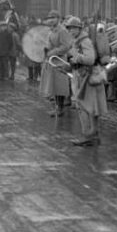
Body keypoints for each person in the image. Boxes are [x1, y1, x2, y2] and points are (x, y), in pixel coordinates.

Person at [66, 16, 107, 146]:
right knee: (89, 106)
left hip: (87, 77)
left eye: (74, 28)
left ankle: (88, 135)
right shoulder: (77, 40)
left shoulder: (84, 41)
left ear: (79, 29)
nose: (71, 31)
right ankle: (92, 134)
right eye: (70, 28)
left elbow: (90, 59)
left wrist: (76, 57)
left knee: (84, 106)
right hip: (82, 75)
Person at [40, 10, 73, 117]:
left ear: (58, 19)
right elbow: (50, 43)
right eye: (49, 18)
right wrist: (46, 49)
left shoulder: (62, 31)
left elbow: (66, 46)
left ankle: (61, 108)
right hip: (51, 60)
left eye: (53, 18)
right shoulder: (51, 31)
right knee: (53, 85)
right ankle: (56, 107)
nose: (50, 20)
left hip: (59, 60)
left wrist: (53, 52)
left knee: (60, 86)